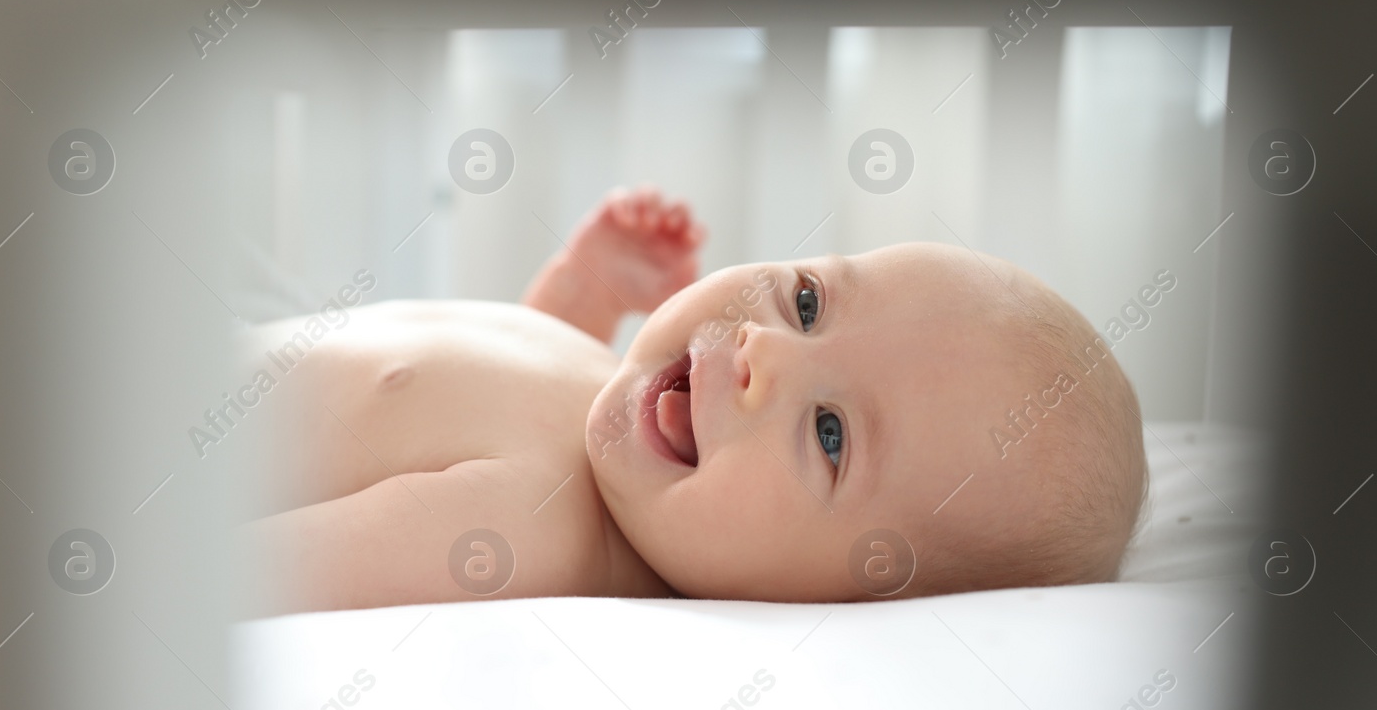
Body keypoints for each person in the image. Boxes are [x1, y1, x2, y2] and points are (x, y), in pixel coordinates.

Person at [236, 188, 1147, 615]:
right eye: (807, 303)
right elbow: (467, 394)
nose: (766, 353)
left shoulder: (524, 535)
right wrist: (581, 297)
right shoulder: (624, 405)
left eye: (830, 434)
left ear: (836, 599)